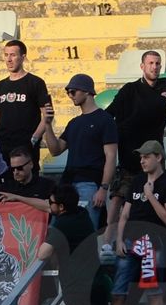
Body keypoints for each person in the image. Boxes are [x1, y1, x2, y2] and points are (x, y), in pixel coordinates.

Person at [106, 50, 166, 259]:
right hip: (129, 156)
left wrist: (130, 120)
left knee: (157, 200)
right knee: (118, 200)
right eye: (151, 63)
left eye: (158, 64)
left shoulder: (165, 85)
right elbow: (110, 112)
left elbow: (160, 108)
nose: (155, 67)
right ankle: (108, 242)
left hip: (153, 157)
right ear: (142, 66)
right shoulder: (129, 89)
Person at [38, 185, 111, 305]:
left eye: (51, 203)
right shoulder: (82, 213)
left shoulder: (62, 225)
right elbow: (48, 207)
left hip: (79, 289)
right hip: (97, 283)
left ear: (61, 208)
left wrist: (49, 233)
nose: (49, 205)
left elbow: (43, 254)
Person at [112, 140, 166, 305]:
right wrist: (119, 239)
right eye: (141, 157)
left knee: (154, 294)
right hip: (130, 241)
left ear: (158, 157)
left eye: (146, 156)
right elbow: (124, 214)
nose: (142, 160)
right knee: (118, 292)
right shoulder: (137, 180)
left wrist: (150, 196)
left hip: (153, 243)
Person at [42, 73, 118, 231]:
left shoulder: (105, 119)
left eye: (73, 91)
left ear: (87, 91)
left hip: (90, 183)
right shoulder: (74, 123)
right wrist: (47, 125)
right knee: (58, 233)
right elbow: (56, 150)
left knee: (86, 231)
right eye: (68, 92)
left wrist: (103, 188)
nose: (70, 96)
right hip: (68, 183)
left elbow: (111, 157)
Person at [0, 40, 51, 162]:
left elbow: (47, 116)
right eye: (6, 55)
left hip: (26, 146)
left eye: (13, 55)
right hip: (2, 147)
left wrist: (33, 140)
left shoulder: (36, 83)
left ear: (23, 57)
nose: (9, 59)